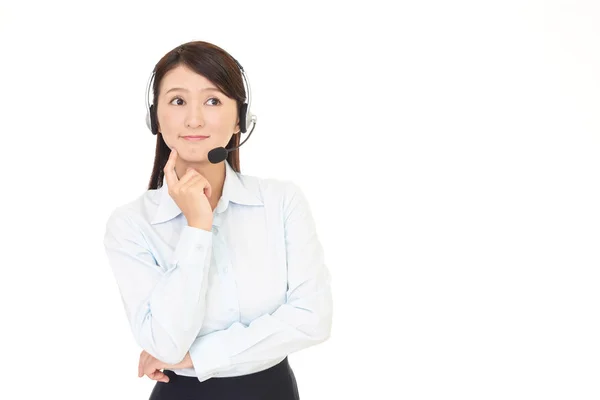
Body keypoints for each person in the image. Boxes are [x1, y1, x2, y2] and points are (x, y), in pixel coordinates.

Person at [102, 40, 333, 399]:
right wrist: (198, 227)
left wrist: (198, 355)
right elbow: (166, 342)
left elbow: (312, 319)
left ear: (240, 117)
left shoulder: (281, 202)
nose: (194, 118)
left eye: (213, 100)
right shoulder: (131, 224)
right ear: (155, 118)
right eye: (178, 101)